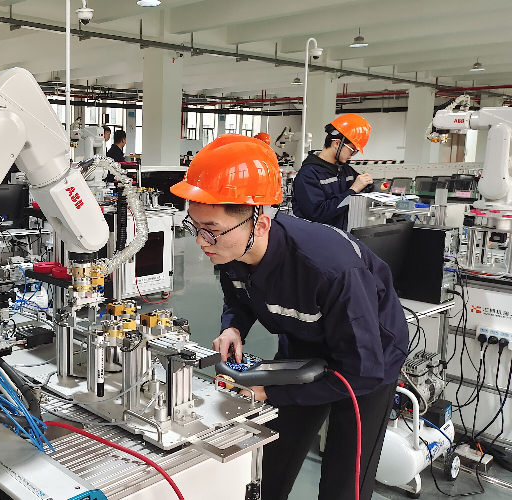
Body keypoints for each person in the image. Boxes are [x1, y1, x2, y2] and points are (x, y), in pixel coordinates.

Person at [170, 135, 408, 500]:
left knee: (344, 481)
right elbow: (239, 298)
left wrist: (271, 390)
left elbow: (363, 369)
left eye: (212, 230)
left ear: (260, 224)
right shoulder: (232, 251)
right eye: (195, 228)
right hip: (303, 343)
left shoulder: (331, 270)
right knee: (273, 460)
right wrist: (233, 326)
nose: (202, 242)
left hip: (367, 359)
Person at [292, 113, 373, 231]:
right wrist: (353, 190)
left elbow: (364, 188)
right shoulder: (309, 174)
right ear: (337, 143)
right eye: (353, 150)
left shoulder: (345, 170)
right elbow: (317, 213)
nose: (352, 155)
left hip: (340, 235)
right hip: (317, 238)